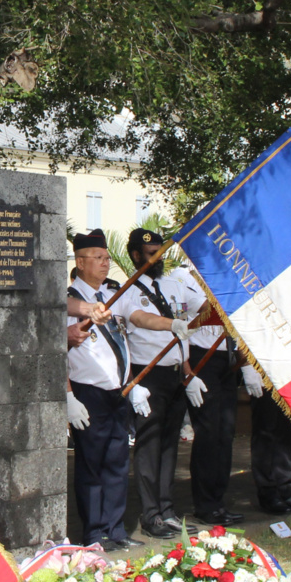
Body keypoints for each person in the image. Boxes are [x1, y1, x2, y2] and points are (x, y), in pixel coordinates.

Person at [116, 229, 206, 538]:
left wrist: (188, 372)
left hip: (174, 375)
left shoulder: (170, 286)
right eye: (152, 253)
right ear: (136, 256)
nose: (159, 257)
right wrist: (172, 324)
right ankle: (150, 514)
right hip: (147, 375)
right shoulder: (127, 290)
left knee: (170, 446)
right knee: (149, 447)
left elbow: (181, 337)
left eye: (160, 251)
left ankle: (167, 510)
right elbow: (140, 319)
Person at [66, 230, 147, 552]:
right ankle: (94, 533)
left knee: (117, 462)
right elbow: (57, 341)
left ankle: (116, 529)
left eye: (107, 257)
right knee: (91, 465)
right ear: (80, 261)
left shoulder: (114, 293)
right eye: (98, 258)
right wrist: (69, 396)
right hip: (89, 392)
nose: (105, 263)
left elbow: (137, 319)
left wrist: (173, 325)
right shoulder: (68, 298)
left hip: (118, 392)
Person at [181, 269, 255, 526]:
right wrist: (188, 372)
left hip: (228, 358)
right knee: (209, 433)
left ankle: (218, 501)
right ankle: (205, 504)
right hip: (203, 357)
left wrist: (245, 363)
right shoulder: (184, 278)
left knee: (225, 433)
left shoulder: (230, 274)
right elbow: (199, 313)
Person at [249, 394, 291, 515]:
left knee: (286, 431)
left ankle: (284, 490)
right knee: (266, 430)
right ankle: (267, 492)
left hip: (284, 379)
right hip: (265, 379)